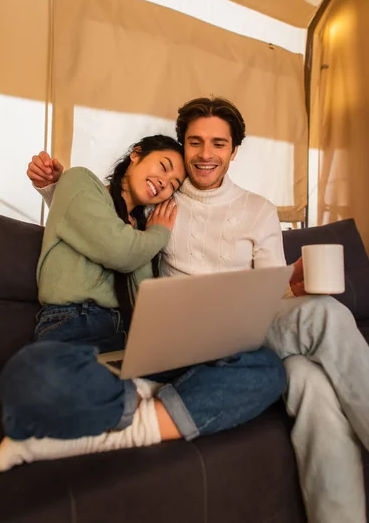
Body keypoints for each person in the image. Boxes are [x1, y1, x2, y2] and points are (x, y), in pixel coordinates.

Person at [23, 97, 369, 523]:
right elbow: (106, 213)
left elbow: (272, 293)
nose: (206, 154)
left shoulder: (257, 210)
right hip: (183, 338)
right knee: (316, 348)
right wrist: (51, 185)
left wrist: (290, 285)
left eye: (219, 144)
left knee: (317, 341)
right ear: (183, 146)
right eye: (195, 142)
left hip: (248, 328)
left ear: (234, 150)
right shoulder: (160, 201)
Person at [0, 133, 286, 473]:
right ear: (135, 154)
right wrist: (160, 234)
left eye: (174, 183)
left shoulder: (145, 227)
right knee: (29, 373)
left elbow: (147, 296)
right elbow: (119, 250)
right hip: (72, 332)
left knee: (264, 366)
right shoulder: (80, 182)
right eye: (164, 166)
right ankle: (152, 398)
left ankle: (137, 414)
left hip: (135, 344)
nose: (165, 182)